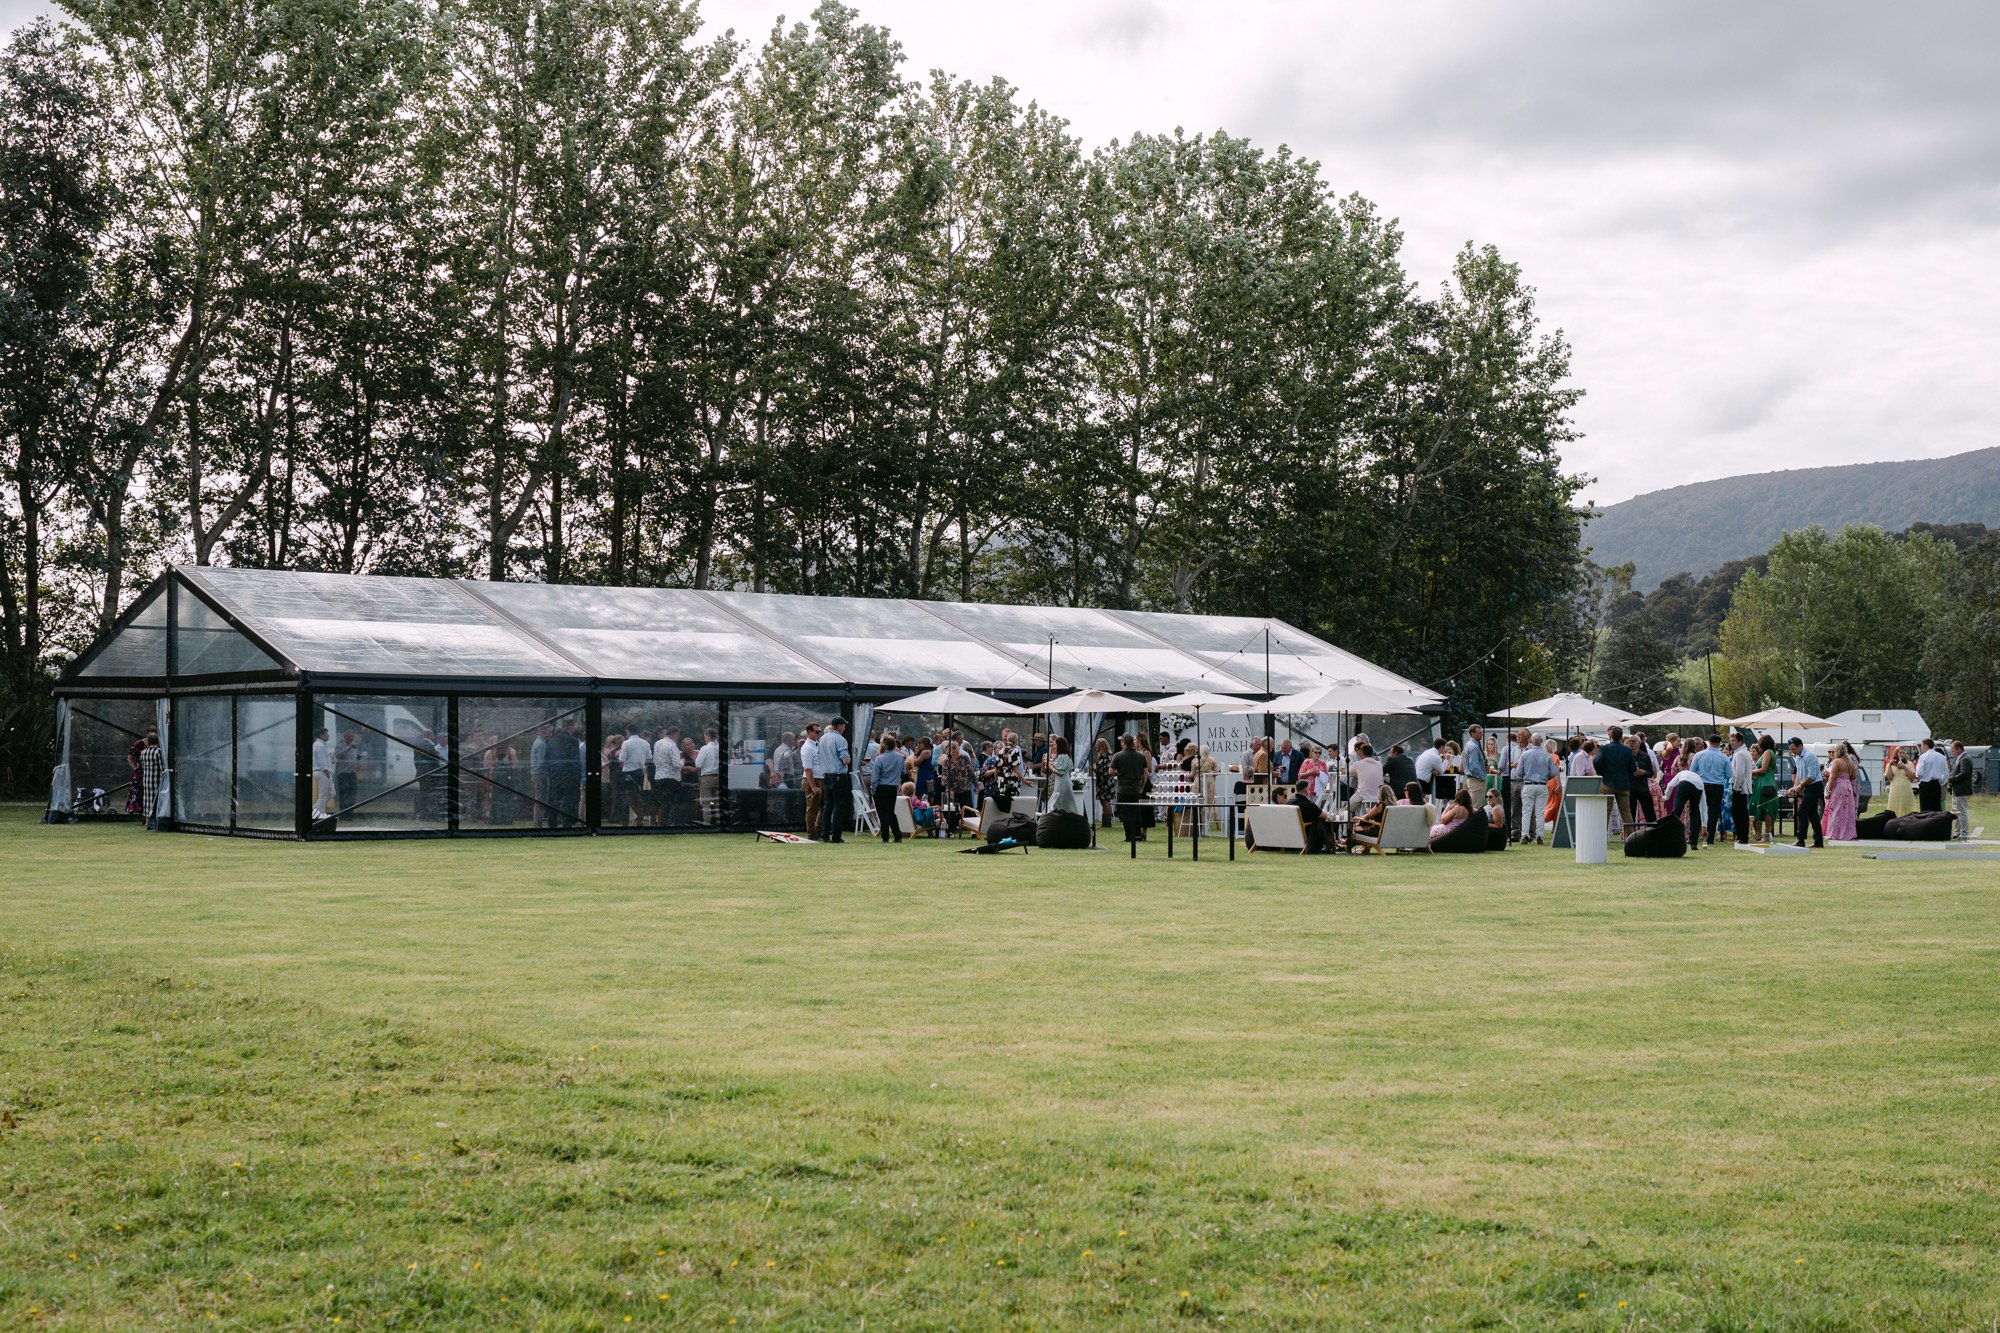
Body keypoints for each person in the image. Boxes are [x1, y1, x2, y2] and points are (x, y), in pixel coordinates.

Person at [1110, 734, 1150, 847]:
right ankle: (1137, 834)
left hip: (1123, 789)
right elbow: (1146, 773)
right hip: (1136, 789)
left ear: (1123, 742)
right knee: (1136, 812)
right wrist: (1142, 787)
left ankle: (1129, 835)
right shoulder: (1140, 756)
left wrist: (1119, 773)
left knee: (1126, 813)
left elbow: (1111, 771)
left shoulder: (1118, 756)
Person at [1690, 735, 1730, 847]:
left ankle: (1695, 835)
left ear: (1709, 742)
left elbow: (1692, 771)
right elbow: (1729, 774)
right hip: (1717, 786)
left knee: (1698, 810)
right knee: (1713, 812)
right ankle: (1710, 837)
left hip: (1702, 785)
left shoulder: (1699, 755)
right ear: (1719, 743)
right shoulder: (1724, 757)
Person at [1517, 733, 1555, 844]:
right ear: (1541, 741)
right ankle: (1540, 836)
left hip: (1528, 784)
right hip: (1542, 785)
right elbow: (1553, 772)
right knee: (1540, 812)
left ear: (1531, 741)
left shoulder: (1525, 754)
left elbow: (1519, 772)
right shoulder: (1547, 755)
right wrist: (1546, 777)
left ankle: (1524, 834)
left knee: (1526, 812)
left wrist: (1526, 775)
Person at [869, 731, 907, 843]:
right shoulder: (900, 757)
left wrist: (873, 789)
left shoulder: (880, 758)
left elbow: (875, 777)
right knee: (891, 812)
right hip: (893, 787)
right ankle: (897, 835)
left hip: (881, 787)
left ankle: (885, 837)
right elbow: (904, 771)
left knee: (882, 813)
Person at [818, 717, 851, 842]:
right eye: (843, 726)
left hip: (827, 775)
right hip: (838, 776)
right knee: (838, 806)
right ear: (837, 726)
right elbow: (845, 760)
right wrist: (849, 757)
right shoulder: (840, 739)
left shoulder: (822, 738)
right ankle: (836, 836)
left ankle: (825, 834)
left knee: (828, 806)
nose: (844, 728)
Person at [1787, 737, 1825, 848]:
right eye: (1790, 749)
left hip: (1815, 786)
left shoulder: (1809, 756)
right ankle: (1818, 841)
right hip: (1808, 787)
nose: (1792, 751)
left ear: (1800, 746)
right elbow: (1799, 775)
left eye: (1793, 749)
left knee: (1802, 811)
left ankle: (1801, 839)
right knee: (1813, 815)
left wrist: (1800, 786)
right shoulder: (1797, 758)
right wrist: (1794, 787)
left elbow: (1812, 776)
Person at [1597, 724, 1634, 833]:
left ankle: (1601, 835)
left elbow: (1597, 761)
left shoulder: (1604, 748)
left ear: (1611, 736)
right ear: (1621, 736)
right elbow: (1632, 768)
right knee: (1626, 812)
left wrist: (1602, 772)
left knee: (1605, 811)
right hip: (1623, 783)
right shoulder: (1627, 751)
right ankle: (1631, 837)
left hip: (1608, 782)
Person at [938, 731, 975, 836]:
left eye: (956, 751)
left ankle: (972, 830)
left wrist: (976, 785)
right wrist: (948, 789)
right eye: (952, 752)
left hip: (965, 788)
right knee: (951, 810)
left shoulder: (965, 759)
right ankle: (951, 829)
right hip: (952, 790)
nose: (955, 753)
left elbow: (971, 773)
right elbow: (944, 778)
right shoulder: (946, 762)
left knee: (968, 809)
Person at [1290, 779, 1337, 853]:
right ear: (1306, 789)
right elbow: (1326, 817)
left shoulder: (1289, 802)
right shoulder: (1308, 804)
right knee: (1321, 821)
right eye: (1309, 788)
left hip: (1292, 831)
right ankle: (1326, 845)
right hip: (1307, 833)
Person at [1824, 744, 1859, 841]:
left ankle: (1834, 834)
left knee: (1835, 810)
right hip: (1848, 787)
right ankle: (1848, 833)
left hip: (1838, 787)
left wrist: (1828, 791)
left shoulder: (1837, 762)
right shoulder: (1850, 762)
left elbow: (1833, 777)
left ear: (1838, 751)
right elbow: (1853, 777)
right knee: (1847, 811)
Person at [1666, 762, 1706, 844]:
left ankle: (1671, 836)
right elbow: (1703, 807)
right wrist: (1704, 826)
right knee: (1694, 812)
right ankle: (1694, 841)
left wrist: (1666, 796)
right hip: (1698, 787)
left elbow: (1670, 785)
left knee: (1676, 812)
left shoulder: (1681, 773)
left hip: (1684, 784)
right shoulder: (1699, 780)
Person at [1749, 735, 1778, 844]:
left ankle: (1763, 835)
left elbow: (1764, 769)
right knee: (1766, 809)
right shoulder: (1771, 752)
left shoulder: (1767, 752)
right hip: (1768, 782)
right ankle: (1765, 834)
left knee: (1763, 809)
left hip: (1764, 783)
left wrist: (1750, 772)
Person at [1729, 730, 1754, 844]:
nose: (1731, 743)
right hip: (1742, 787)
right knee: (1739, 813)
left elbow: (1740, 774)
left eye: (1734, 741)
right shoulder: (1742, 752)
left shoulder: (1740, 754)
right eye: (1731, 741)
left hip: (1740, 788)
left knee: (1739, 813)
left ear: (1740, 741)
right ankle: (1741, 836)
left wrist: (1735, 787)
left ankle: (1742, 837)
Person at [798, 723, 822, 839]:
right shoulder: (807, 747)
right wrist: (813, 786)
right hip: (812, 780)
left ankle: (818, 831)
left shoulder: (817, 745)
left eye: (819, 732)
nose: (819, 734)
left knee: (822, 807)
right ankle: (812, 834)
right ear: (809, 732)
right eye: (816, 732)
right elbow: (807, 769)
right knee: (812, 809)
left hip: (820, 779)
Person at [1628, 730, 1657, 826]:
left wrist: (1644, 772)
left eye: (1633, 741)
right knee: (1630, 812)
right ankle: (1630, 834)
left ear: (1639, 743)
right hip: (1630, 787)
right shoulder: (1626, 755)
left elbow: (1651, 772)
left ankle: (1652, 831)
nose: (1631, 743)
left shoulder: (1645, 756)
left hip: (1642, 787)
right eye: (1630, 741)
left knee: (1649, 811)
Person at [138, 730, 165, 829]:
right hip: (156, 779)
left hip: (146, 779)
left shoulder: (143, 752)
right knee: (156, 800)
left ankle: (147, 821)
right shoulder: (158, 751)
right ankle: (155, 821)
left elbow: (142, 765)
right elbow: (161, 767)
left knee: (147, 800)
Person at [1914, 738, 1949, 814]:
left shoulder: (1923, 757)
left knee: (1925, 809)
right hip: (1936, 784)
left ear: (1926, 746)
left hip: (1925, 785)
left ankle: (1926, 825)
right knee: (1936, 808)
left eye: (1922, 746)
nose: (1921, 748)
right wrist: (1940, 782)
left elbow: (1919, 772)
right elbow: (1946, 773)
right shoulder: (1942, 757)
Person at [1949, 740, 1974, 840]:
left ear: (1959, 749)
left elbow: (1964, 773)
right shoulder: (1961, 758)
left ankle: (1964, 833)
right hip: (1957, 790)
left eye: (1953, 750)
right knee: (1957, 812)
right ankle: (1958, 832)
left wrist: (1952, 778)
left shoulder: (1965, 759)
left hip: (1962, 790)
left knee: (1962, 812)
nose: (1952, 752)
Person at [1048, 735, 1080, 816]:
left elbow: (1061, 772)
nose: (1054, 746)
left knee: (1059, 802)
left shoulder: (1063, 756)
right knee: (1063, 802)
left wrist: (1051, 767)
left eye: (1055, 745)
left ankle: (1054, 817)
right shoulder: (1062, 756)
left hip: (1062, 783)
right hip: (1060, 782)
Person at [1883, 745, 1918, 817]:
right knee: (1894, 809)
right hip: (1895, 790)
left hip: (1906, 789)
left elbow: (1912, 778)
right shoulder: (1891, 764)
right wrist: (1889, 765)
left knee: (1907, 809)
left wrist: (1904, 767)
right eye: (1900, 753)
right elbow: (1889, 778)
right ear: (1896, 754)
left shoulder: (1909, 763)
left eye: (1903, 753)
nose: (1902, 754)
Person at [1349, 743, 1383, 815]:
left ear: (1361, 752)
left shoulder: (1358, 764)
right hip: (1378, 796)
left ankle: (1348, 826)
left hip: (1363, 794)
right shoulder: (1379, 764)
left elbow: (1350, 772)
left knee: (1347, 809)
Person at [310, 727, 335, 820]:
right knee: (323, 795)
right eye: (326, 734)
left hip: (323, 772)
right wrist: (326, 770)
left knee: (331, 793)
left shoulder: (319, 745)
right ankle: (320, 813)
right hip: (323, 772)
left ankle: (316, 810)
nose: (328, 735)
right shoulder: (319, 745)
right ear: (321, 735)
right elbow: (321, 761)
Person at [1090, 737, 1116, 827]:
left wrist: (1094, 769)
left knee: (1105, 802)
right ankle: (1106, 822)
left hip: (1104, 783)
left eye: (1097, 745)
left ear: (1102, 746)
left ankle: (1107, 823)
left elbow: (1103, 771)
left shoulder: (1104, 757)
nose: (1095, 747)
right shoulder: (1108, 756)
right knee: (1105, 802)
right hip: (1106, 782)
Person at [334, 730, 361, 814]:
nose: (351, 738)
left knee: (352, 792)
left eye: (352, 737)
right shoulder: (340, 744)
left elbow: (356, 756)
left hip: (352, 773)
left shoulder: (354, 746)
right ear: (344, 737)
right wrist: (348, 747)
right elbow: (338, 755)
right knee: (344, 793)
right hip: (343, 773)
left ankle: (350, 812)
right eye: (349, 737)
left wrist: (359, 762)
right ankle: (343, 813)